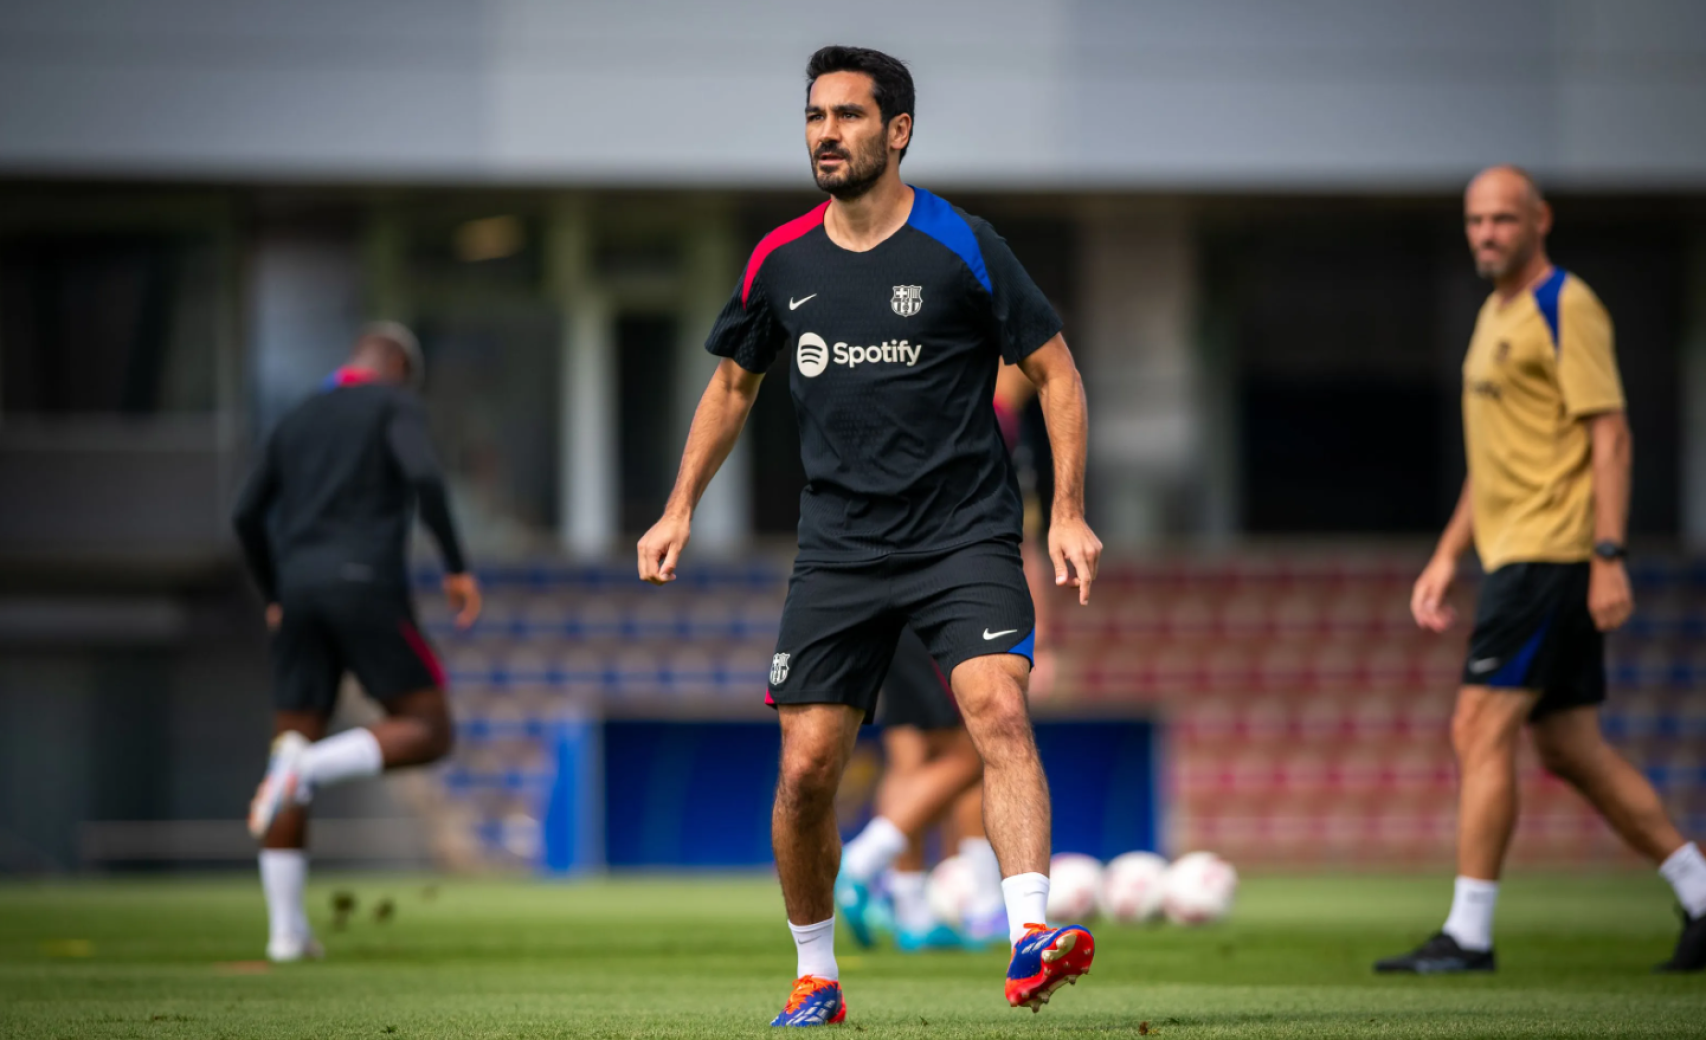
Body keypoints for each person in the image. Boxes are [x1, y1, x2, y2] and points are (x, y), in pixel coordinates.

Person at [637, 45, 1102, 1025]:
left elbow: (1055, 371)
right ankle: (815, 973)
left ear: (895, 132)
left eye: (847, 116)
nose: (825, 134)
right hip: (840, 546)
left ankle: (1028, 935)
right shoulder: (780, 259)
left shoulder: (963, 246)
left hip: (961, 535)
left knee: (998, 713)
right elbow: (732, 385)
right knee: (806, 768)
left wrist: (1064, 510)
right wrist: (677, 504)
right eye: (814, 116)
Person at [1375, 166, 1705, 974]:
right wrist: (1448, 555)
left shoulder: (1568, 305)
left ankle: (1470, 934)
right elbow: (1495, 464)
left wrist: (1608, 554)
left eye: (1503, 219)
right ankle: (1701, 892)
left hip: (1552, 555)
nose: (1487, 233)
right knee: (1568, 747)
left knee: (1477, 726)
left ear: (1539, 220)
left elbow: (1612, 436)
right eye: (1476, 220)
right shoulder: (1494, 314)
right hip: (1513, 554)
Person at [233, 323, 482, 963]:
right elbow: (425, 476)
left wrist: (273, 594)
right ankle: (303, 770)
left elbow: (244, 513)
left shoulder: (298, 417)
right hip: (366, 585)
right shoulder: (395, 400)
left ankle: (286, 935)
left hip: (297, 593)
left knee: (292, 737)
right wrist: (456, 565)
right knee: (430, 728)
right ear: (398, 365)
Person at [837, 628, 1005, 952]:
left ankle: (911, 912)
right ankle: (863, 860)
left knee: (908, 751)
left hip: (884, 616)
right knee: (976, 751)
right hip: (926, 615)